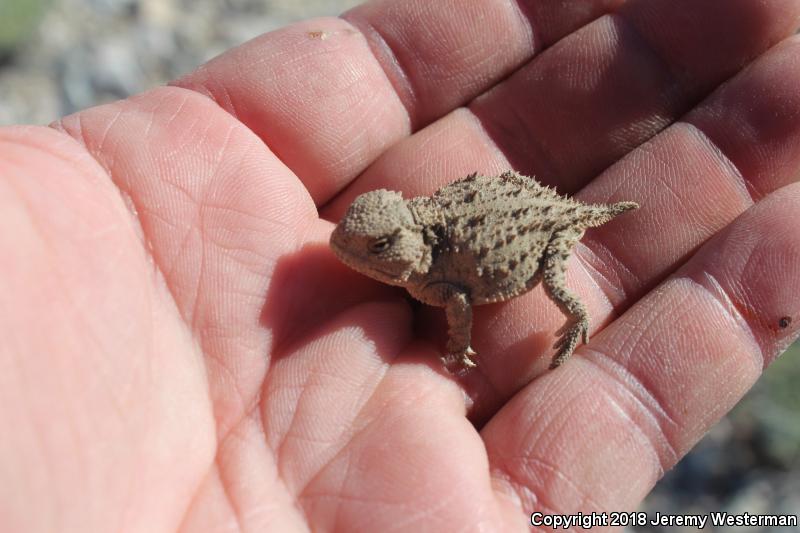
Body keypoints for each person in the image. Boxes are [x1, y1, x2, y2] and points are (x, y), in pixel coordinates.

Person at [1, 1, 799, 530]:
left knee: (564, 286)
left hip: (532, 230)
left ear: (404, 245)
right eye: (358, 236)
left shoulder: (434, 277)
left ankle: (580, 313)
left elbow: (458, 306)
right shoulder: (404, 237)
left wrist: (461, 345)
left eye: (372, 247)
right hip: (498, 202)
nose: (352, 248)